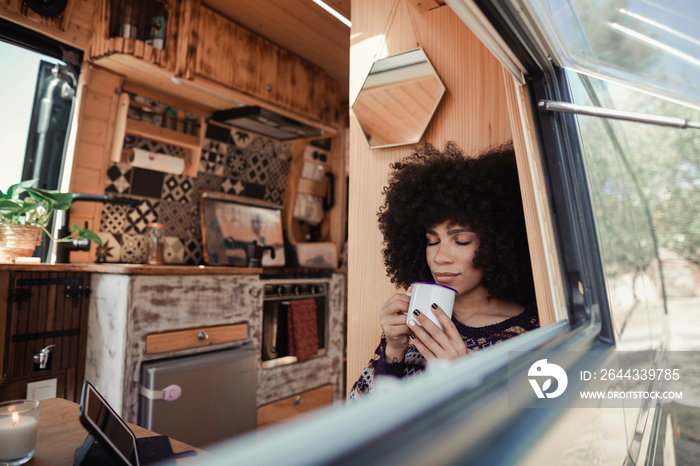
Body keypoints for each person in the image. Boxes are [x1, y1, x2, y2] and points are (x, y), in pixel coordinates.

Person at [348, 141, 539, 401]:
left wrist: (464, 380)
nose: (440, 257)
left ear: (498, 244)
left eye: (461, 241)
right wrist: (393, 350)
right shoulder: (414, 323)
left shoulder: (531, 337)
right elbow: (359, 414)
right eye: (432, 241)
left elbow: (522, 436)